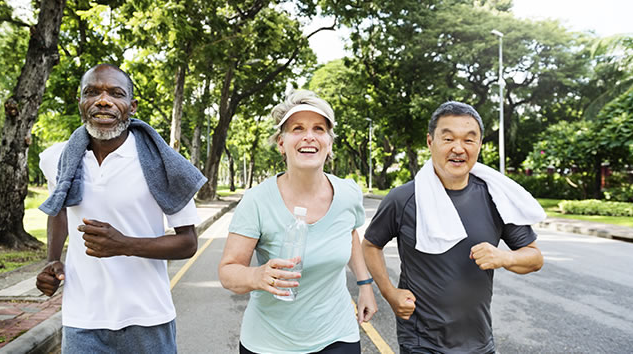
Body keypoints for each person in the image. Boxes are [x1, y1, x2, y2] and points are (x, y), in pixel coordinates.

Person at [35, 63, 206, 354]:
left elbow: (188, 243)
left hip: (148, 318)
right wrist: (52, 261)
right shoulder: (57, 158)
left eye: (116, 93)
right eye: (92, 92)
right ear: (81, 103)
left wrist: (124, 244)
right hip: (82, 319)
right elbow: (59, 209)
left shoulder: (164, 164)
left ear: (131, 106)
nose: (103, 100)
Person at [363, 101, 545, 354]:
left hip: (479, 341)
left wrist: (503, 256)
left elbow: (534, 258)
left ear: (479, 145)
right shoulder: (403, 199)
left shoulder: (496, 198)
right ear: (430, 142)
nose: (458, 148)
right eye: (448, 138)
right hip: (421, 341)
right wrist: (390, 293)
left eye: (469, 140)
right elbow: (371, 244)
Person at [218, 90, 377, 353]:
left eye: (319, 128)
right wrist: (258, 276)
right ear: (281, 143)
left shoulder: (348, 193)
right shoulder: (257, 201)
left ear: (329, 143)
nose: (309, 136)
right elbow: (228, 271)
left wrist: (364, 285)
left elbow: (349, 234)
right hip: (270, 342)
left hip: (338, 335)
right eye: (297, 128)